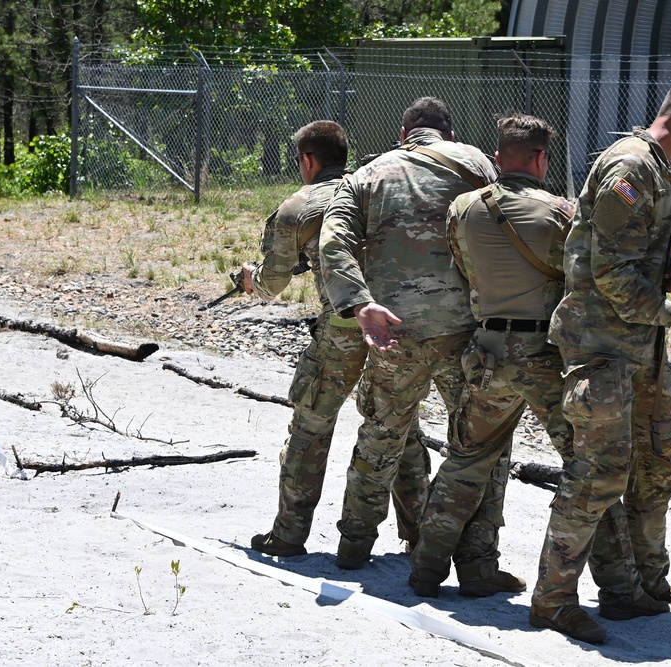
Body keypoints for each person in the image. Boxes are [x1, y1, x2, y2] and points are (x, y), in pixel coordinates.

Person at [530, 79, 671, 643]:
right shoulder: (631, 170)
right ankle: (552, 599)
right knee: (597, 477)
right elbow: (610, 274)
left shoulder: (661, 168)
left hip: (643, 348)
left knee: (655, 467)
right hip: (604, 346)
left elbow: (640, 258)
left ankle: (642, 586)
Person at [320, 98, 516, 590]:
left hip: (394, 331)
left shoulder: (368, 175)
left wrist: (359, 301)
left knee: (381, 435)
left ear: (404, 131)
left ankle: (353, 546)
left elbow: (333, 239)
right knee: (479, 444)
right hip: (465, 330)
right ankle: (476, 563)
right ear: (448, 135)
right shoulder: (477, 163)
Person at [245, 120, 429, 558]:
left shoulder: (298, 208)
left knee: (310, 426)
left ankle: (289, 534)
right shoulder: (374, 189)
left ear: (308, 160)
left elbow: (272, 284)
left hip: (341, 330)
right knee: (398, 429)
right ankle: (421, 534)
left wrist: (249, 278)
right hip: (393, 328)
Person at [408, 114, 574, 600]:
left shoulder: (463, 208)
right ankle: (605, 582)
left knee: (465, 462)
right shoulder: (561, 213)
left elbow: (462, 268)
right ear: (542, 158)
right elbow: (575, 280)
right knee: (583, 465)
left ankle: (425, 569)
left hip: (487, 352)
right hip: (542, 354)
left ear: (499, 157)